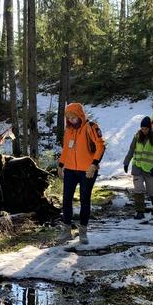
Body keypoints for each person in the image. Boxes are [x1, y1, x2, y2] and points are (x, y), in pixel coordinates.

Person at [57, 103, 106, 244]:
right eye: (69, 118)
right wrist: (61, 165)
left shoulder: (91, 127)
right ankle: (66, 230)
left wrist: (94, 164)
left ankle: (83, 232)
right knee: (66, 199)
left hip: (87, 171)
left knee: (85, 199)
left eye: (74, 117)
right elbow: (66, 149)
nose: (71, 120)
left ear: (80, 115)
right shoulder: (68, 131)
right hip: (71, 170)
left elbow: (100, 145)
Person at [123, 116, 153, 219]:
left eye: (146, 128)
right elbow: (131, 150)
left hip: (150, 169)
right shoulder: (136, 136)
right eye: (142, 128)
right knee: (138, 189)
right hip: (137, 168)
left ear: (150, 128)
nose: (144, 130)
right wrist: (126, 162)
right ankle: (140, 212)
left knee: (152, 190)